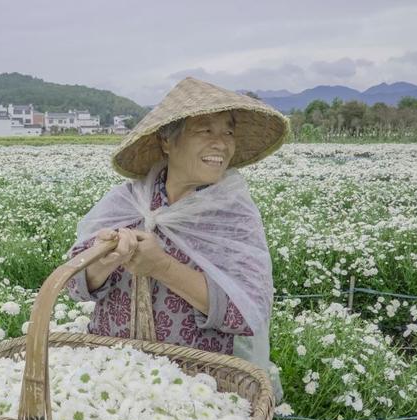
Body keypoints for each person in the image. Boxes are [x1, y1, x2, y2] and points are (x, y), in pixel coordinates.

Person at [65, 77, 288, 397]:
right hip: (112, 376)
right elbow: (73, 284)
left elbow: (247, 314)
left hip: (196, 391)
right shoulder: (127, 202)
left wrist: (162, 267)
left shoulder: (233, 218)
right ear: (167, 142)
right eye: (205, 130)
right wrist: (106, 259)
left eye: (228, 131)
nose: (221, 143)